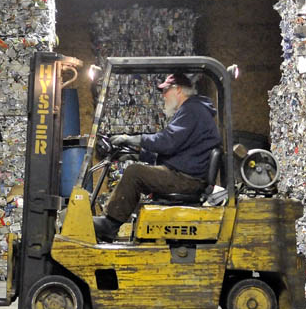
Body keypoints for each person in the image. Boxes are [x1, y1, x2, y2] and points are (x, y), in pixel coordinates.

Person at [93, 73, 222, 242]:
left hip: (186, 179)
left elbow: (167, 142)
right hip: (184, 174)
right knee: (137, 172)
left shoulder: (192, 110)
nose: (163, 96)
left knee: (134, 173)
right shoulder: (192, 109)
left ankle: (110, 225)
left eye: (165, 90)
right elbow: (175, 150)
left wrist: (133, 138)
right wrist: (135, 153)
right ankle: (114, 223)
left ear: (178, 90)